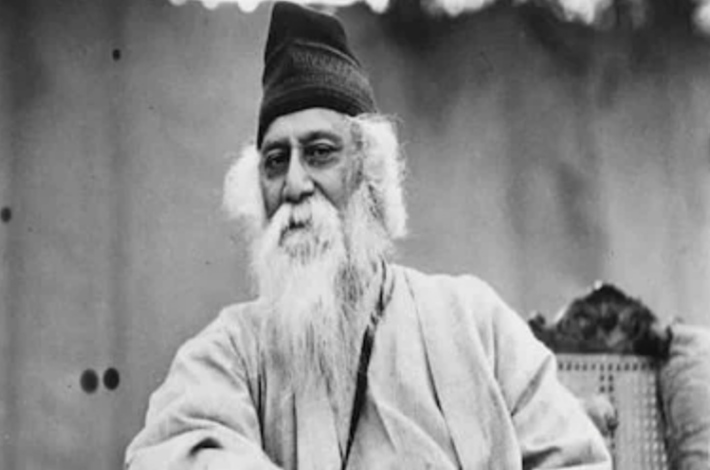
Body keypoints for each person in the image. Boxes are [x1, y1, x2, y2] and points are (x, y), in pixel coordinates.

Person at [125, 3, 611, 469]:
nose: (294, 184)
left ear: (369, 174)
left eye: (319, 152)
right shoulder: (233, 350)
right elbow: (172, 451)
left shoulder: (473, 323)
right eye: (275, 161)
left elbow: (574, 458)